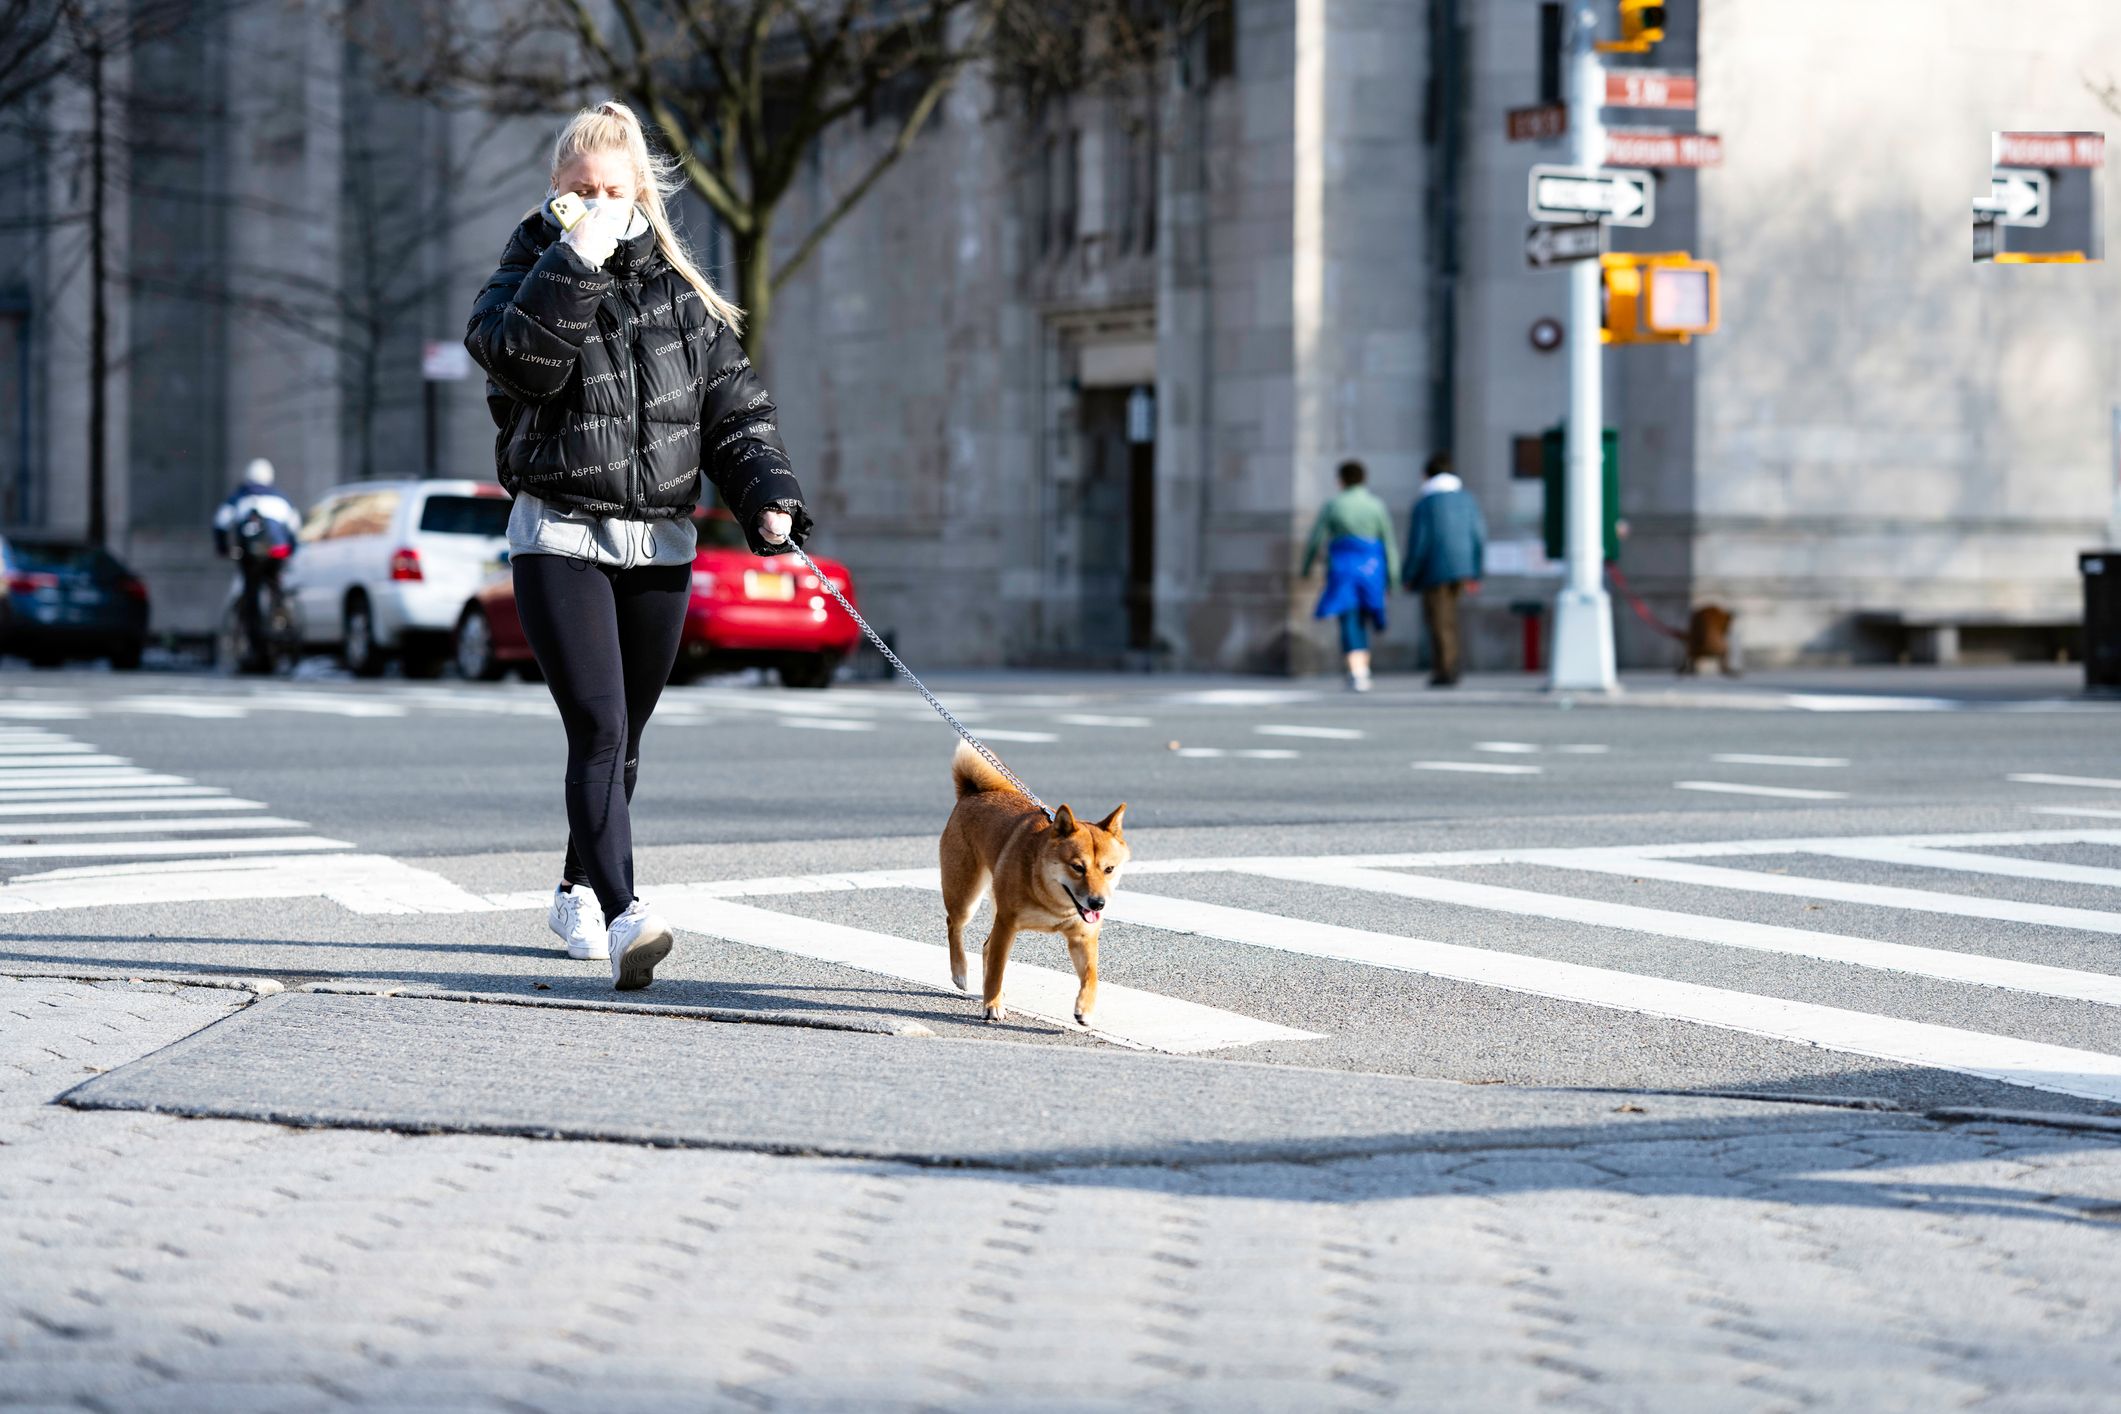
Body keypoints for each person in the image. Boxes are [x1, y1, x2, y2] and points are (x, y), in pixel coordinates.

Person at [464, 100, 810, 991]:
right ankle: (627, 917)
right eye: (580, 191)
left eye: (614, 191)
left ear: (642, 194)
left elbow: (736, 416)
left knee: (629, 743)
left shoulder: (683, 299)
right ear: (554, 194)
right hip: (560, 535)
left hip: (658, 544)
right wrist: (573, 261)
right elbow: (522, 364)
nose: (599, 204)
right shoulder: (520, 277)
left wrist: (767, 499)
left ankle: (578, 886)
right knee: (598, 727)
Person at [1300, 460, 1400, 692]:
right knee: (1365, 617)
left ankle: (1357, 671)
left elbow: (1316, 539)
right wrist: (1393, 577)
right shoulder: (1376, 505)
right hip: (1372, 568)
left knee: (1348, 618)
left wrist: (1306, 568)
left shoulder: (1334, 505)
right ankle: (1361, 668)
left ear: (1341, 480)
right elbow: (1389, 543)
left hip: (1343, 567)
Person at [1402, 452, 1486, 687]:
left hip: (1434, 569)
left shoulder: (1425, 503)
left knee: (1438, 621)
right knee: (1450, 619)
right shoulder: (1468, 499)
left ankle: (1446, 669)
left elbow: (1419, 542)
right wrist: (1476, 570)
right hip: (1463, 567)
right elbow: (1479, 536)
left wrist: (1409, 574)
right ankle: (1451, 666)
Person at [211, 458, 301, 667]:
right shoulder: (280, 498)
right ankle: (282, 616)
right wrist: (292, 550)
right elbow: (294, 526)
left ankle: (257, 647)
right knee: (275, 585)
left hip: (250, 554)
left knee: (251, 595)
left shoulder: (240, 496)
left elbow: (220, 522)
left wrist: (223, 548)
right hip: (277, 552)